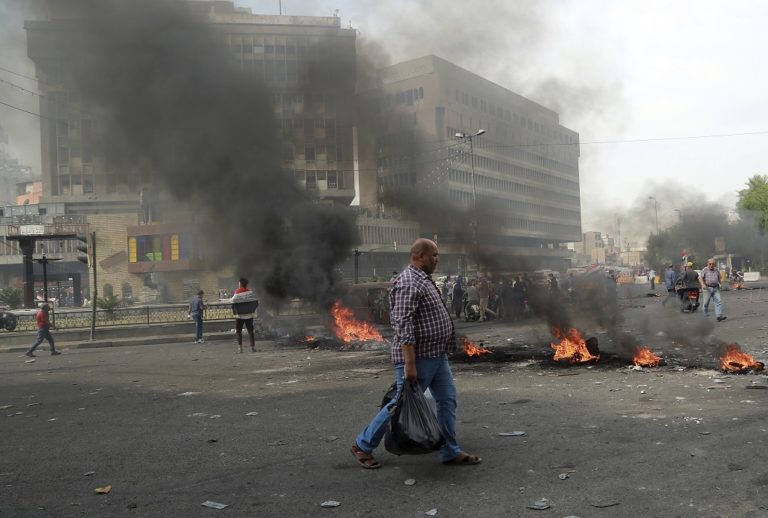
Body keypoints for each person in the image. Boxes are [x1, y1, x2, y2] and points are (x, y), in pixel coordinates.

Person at [351, 238, 481, 469]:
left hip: (436, 355)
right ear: (420, 255)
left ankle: (449, 451)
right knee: (399, 405)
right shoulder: (409, 282)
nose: (437, 259)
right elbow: (403, 324)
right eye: (434, 255)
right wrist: (409, 363)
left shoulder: (424, 280)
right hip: (418, 358)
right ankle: (363, 444)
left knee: (447, 400)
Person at [231, 277, 258, 353]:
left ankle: (240, 348)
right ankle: (252, 348)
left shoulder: (237, 292)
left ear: (240, 283)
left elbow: (233, 302)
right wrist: (251, 310)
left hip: (239, 316)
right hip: (249, 315)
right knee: (250, 331)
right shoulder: (250, 292)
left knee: (238, 331)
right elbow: (256, 302)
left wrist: (236, 311)